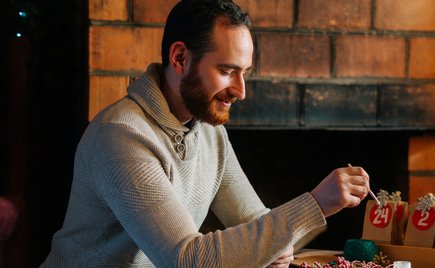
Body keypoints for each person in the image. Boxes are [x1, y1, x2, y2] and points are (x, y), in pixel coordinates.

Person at [41, 0, 372, 267]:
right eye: (227, 71)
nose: (240, 91)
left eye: (244, 73)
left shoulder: (210, 133)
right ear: (181, 58)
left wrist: (269, 249)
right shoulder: (121, 135)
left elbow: (256, 222)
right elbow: (187, 260)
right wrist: (315, 204)